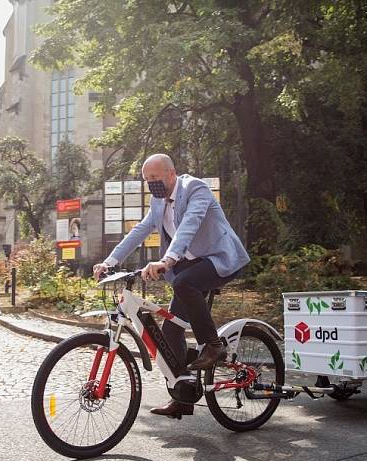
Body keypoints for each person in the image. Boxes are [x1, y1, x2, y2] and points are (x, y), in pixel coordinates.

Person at [93, 154, 250, 419]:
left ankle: (213, 344)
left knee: (184, 282)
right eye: (146, 180)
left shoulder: (194, 188)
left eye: (155, 178)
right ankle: (182, 396)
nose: (151, 183)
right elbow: (139, 232)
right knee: (171, 330)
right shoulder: (157, 201)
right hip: (190, 266)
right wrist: (110, 261)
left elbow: (189, 225)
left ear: (171, 173)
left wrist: (168, 259)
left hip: (219, 258)